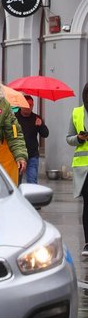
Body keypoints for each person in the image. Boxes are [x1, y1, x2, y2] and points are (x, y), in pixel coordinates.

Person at [66, 83, 88, 256]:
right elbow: (69, 138)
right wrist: (79, 139)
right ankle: (87, 243)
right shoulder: (77, 112)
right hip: (84, 169)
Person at [15, 94, 50, 184]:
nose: (28, 107)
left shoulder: (36, 118)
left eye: (31, 105)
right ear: (21, 105)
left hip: (32, 155)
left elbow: (45, 134)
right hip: (17, 155)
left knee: (32, 181)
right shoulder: (14, 118)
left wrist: (41, 125)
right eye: (26, 104)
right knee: (15, 182)